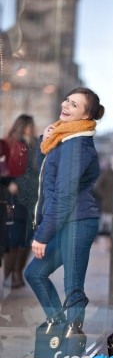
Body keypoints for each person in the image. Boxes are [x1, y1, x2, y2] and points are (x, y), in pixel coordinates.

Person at [24, 87, 104, 327]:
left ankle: (72, 339)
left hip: (77, 221)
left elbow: (64, 195)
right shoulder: (64, 140)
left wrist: (43, 235)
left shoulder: (76, 145)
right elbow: (46, 176)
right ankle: (60, 329)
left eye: (74, 105)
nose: (66, 105)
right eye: (67, 100)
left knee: (72, 284)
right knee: (35, 274)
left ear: (86, 117)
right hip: (68, 219)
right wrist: (45, 142)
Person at [3, 115, 39, 289]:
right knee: (14, 239)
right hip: (14, 199)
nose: (31, 128)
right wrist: (9, 183)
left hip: (32, 199)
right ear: (22, 126)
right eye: (28, 125)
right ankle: (9, 275)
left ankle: (18, 273)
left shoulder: (34, 146)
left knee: (26, 240)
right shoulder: (10, 144)